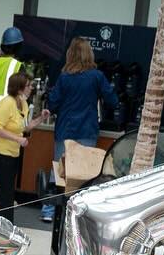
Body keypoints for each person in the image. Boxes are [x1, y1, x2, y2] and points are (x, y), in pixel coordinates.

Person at [40, 38, 119, 218]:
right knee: (84, 173)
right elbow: (113, 101)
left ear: (70, 55)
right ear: (89, 54)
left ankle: (50, 210)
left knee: (59, 170)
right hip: (87, 130)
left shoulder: (64, 77)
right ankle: (76, 213)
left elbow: (53, 103)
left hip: (65, 130)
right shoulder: (97, 77)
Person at [0, 71, 31, 222]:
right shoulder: (7, 103)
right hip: (1, 152)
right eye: (28, 85)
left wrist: (41, 118)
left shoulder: (23, 104)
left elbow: (24, 127)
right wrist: (18, 139)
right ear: (19, 89)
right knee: (7, 193)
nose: (31, 88)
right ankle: (7, 226)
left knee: (2, 189)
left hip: (13, 153)